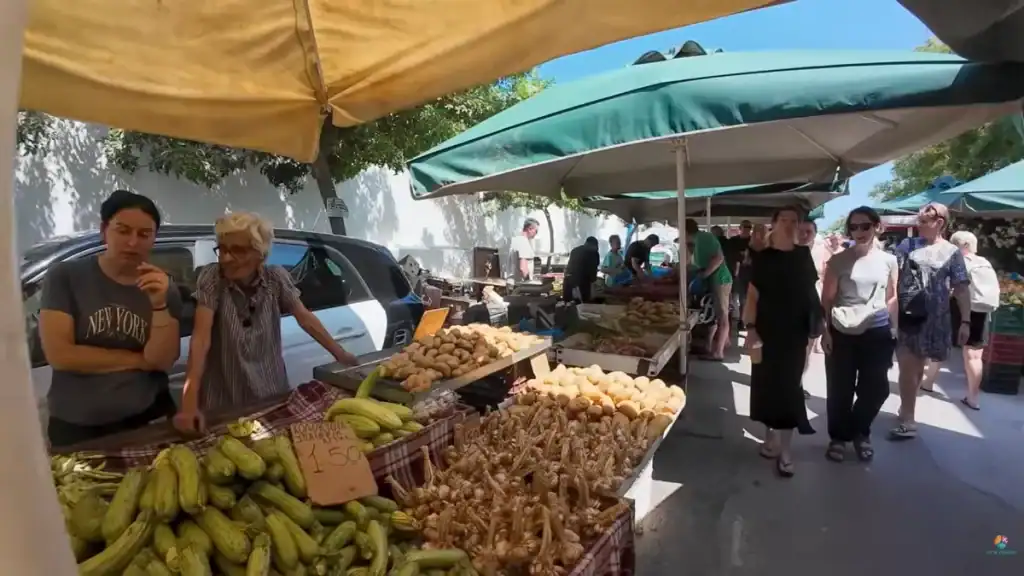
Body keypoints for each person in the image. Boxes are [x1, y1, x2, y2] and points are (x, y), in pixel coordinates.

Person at [174, 212, 359, 433]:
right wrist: (189, 401)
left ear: (260, 254)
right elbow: (201, 338)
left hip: (270, 390)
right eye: (222, 249)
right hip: (224, 394)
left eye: (238, 250)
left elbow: (305, 318)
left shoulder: (276, 279)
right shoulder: (213, 278)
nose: (226, 258)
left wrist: (341, 355)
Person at [39, 190, 183, 447]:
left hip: (147, 415)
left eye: (144, 234)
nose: (132, 242)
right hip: (77, 422)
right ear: (104, 230)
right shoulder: (66, 276)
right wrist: (138, 360)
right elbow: (60, 355)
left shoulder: (162, 286)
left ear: (153, 239)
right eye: (123, 230)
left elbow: (161, 360)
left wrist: (159, 304)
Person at [744, 207, 820, 477]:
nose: (789, 224)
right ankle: (769, 437)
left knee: (790, 388)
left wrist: (816, 328)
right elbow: (752, 297)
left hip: (795, 333)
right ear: (773, 224)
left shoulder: (803, 255)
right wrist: (750, 329)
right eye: (784, 220)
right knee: (765, 384)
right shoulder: (762, 258)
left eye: (794, 221)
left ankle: (786, 449)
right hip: (766, 331)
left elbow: (811, 294)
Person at [820, 207, 898, 463]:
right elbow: (827, 299)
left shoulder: (889, 260)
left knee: (877, 389)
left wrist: (894, 328)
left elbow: (892, 296)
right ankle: (839, 437)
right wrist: (826, 332)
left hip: (877, 330)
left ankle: (859, 430)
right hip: (842, 329)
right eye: (853, 227)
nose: (859, 232)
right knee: (840, 388)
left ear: (876, 226)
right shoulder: (838, 261)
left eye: (865, 226)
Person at [891, 203, 971, 440]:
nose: (919, 225)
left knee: (918, 367)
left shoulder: (952, 252)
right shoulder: (908, 245)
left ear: (940, 223)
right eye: (919, 220)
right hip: (909, 315)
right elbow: (891, 277)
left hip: (935, 319)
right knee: (907, 364)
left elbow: (961, 287)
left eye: (924, 221)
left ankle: (907, 407)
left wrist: (966, 321)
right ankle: (908, 418)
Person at [949, 231, 1000, 410]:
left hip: (963, 310)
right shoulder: (984, 262)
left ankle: (928, 382)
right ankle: (973, 397)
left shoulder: (959, 262)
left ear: (962, 246)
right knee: (975, 355)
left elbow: (952, 287)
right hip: (982, 309)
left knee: (942, 345)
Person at [686, 219, 732, 360]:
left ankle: (718, 352)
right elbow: (700, 263)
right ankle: (709, 346)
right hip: (714, 280)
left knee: (722, 315)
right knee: (713, 314)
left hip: (720, 280)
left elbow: (718, 258)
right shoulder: (698, 240)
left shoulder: (703, 238)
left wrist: (704, 275)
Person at [563, 237, 600, 302]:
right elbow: (593, 273)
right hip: (582, 284)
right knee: (584, 307)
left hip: (568, 283)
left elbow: (568, 268)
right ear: (594, 246)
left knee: (568, 307)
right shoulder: (593, 253)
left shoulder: (574, 250)